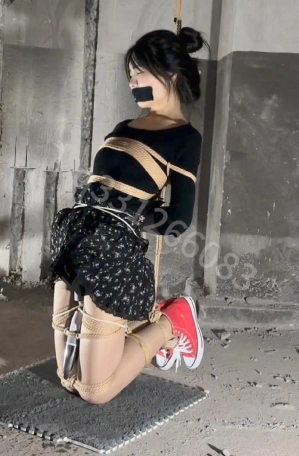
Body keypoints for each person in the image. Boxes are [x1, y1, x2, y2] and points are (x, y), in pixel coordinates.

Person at [47, 26, 208, 405]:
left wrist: (128, 214)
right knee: (67, 379)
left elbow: (178, 220)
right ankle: (148, 323)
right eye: (130, 74)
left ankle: (172, 321)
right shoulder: (123, 127)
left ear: (170, 75)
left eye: (139, 72)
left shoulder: (184, 138)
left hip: (112, 253)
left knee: (94, 391)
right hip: (73, 240)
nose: (132, 81)